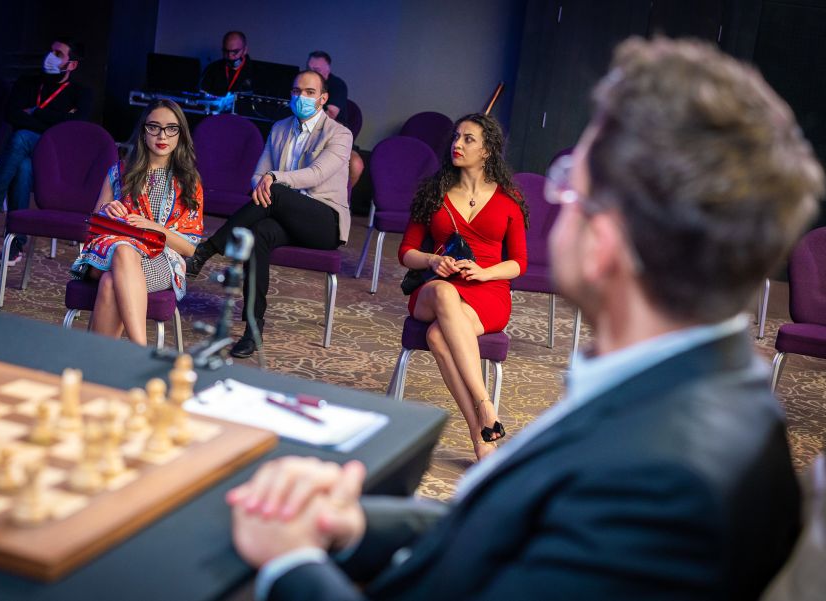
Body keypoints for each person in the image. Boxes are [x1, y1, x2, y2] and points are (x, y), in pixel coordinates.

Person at [226, 37, 824, 601]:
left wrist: (289, 564)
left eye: (568, 185)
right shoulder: (675, 392)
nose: (556, 200)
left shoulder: (667, 482)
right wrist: (355, 524)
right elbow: (508, 526)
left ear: (606, 240)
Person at [186, 70, 352, 358]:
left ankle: (207, 249)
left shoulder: (340, 134)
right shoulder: (279, 128)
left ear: (323, 99)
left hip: (324, 222)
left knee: (274, 191)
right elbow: (257, 176)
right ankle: (253, 329)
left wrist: (272, 180)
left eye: (309, 92)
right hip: (281, 216)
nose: (301, 97)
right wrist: (264, 184)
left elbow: (316, 174)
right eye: (296, 91)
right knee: (258, 234)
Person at [399, 113, 528, 461]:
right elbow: (406, 252)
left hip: (487, 293)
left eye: (468, 139)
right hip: (436, 289)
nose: (457, 144)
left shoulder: (509, 199)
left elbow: (519, 262)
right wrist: (432, 261)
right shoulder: (434, 192)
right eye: (456, 137)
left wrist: (485, 273)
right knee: (444, 293)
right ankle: (485, 403)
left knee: (438, 336)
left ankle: (479, 435)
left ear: (487, 150)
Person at [70, 100, 203, 346]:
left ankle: (98, 361)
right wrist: (107, 210)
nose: (162, 135)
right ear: (143, 131)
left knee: (110, 283)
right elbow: (93, 227)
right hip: (109, 253)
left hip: (162, 260)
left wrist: (153, 228)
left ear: (181, 134)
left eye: (171, 128)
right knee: (123, 250)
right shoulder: (120, 171)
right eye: (154, 127)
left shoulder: (189, 181)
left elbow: (190, 248)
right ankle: (140, 350)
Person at [0, 38, 92, 266]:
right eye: (50, 51)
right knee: (22, 165)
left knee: (21, 136)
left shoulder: (81, 93)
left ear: (72, 65)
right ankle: (15, 244)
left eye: (58, 54)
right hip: (23, 154)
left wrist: (35, 112)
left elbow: (73, 127)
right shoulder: (27, 82)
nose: (50, 57)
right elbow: (11, 114)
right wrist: (54, 120)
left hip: (55, 159)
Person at [306, 50, 363, 188]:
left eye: (316, 70)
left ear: (327, 70)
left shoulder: (337, 85)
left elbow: (331, 114)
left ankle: (342, 195)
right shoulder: (302, 83)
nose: (311, 73)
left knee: (356, 164)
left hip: (333, 136)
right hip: (305, 135)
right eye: (309, 69)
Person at [199, 31, 255, 96]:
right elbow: (202, 94)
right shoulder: (211, 69)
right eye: (226, 51)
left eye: (235, 52)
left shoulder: (257, 71)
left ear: (245, 50)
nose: (230, 56)